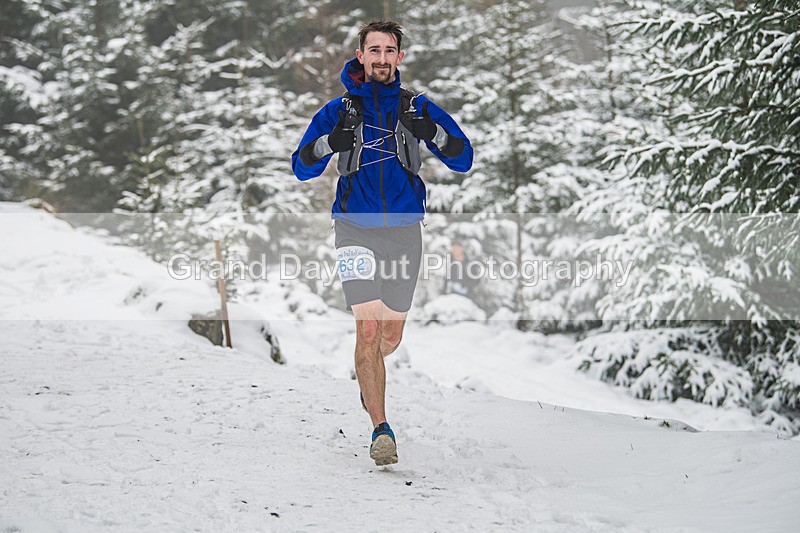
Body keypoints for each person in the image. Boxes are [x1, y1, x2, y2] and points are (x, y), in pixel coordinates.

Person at [291, 19, 473, 466]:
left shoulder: (416, 107)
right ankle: (380, 428)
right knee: (367, 328)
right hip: (353, 228)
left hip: (405, 234)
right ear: (360, 56)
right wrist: (329, 143)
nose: (381, 58)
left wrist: (430, 132)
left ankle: (367, 370)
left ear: (400, 57)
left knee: (389, 335)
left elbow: (463, 157)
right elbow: (301, 165)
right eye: (373, 50)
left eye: (389, 50)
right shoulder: (341, 109)